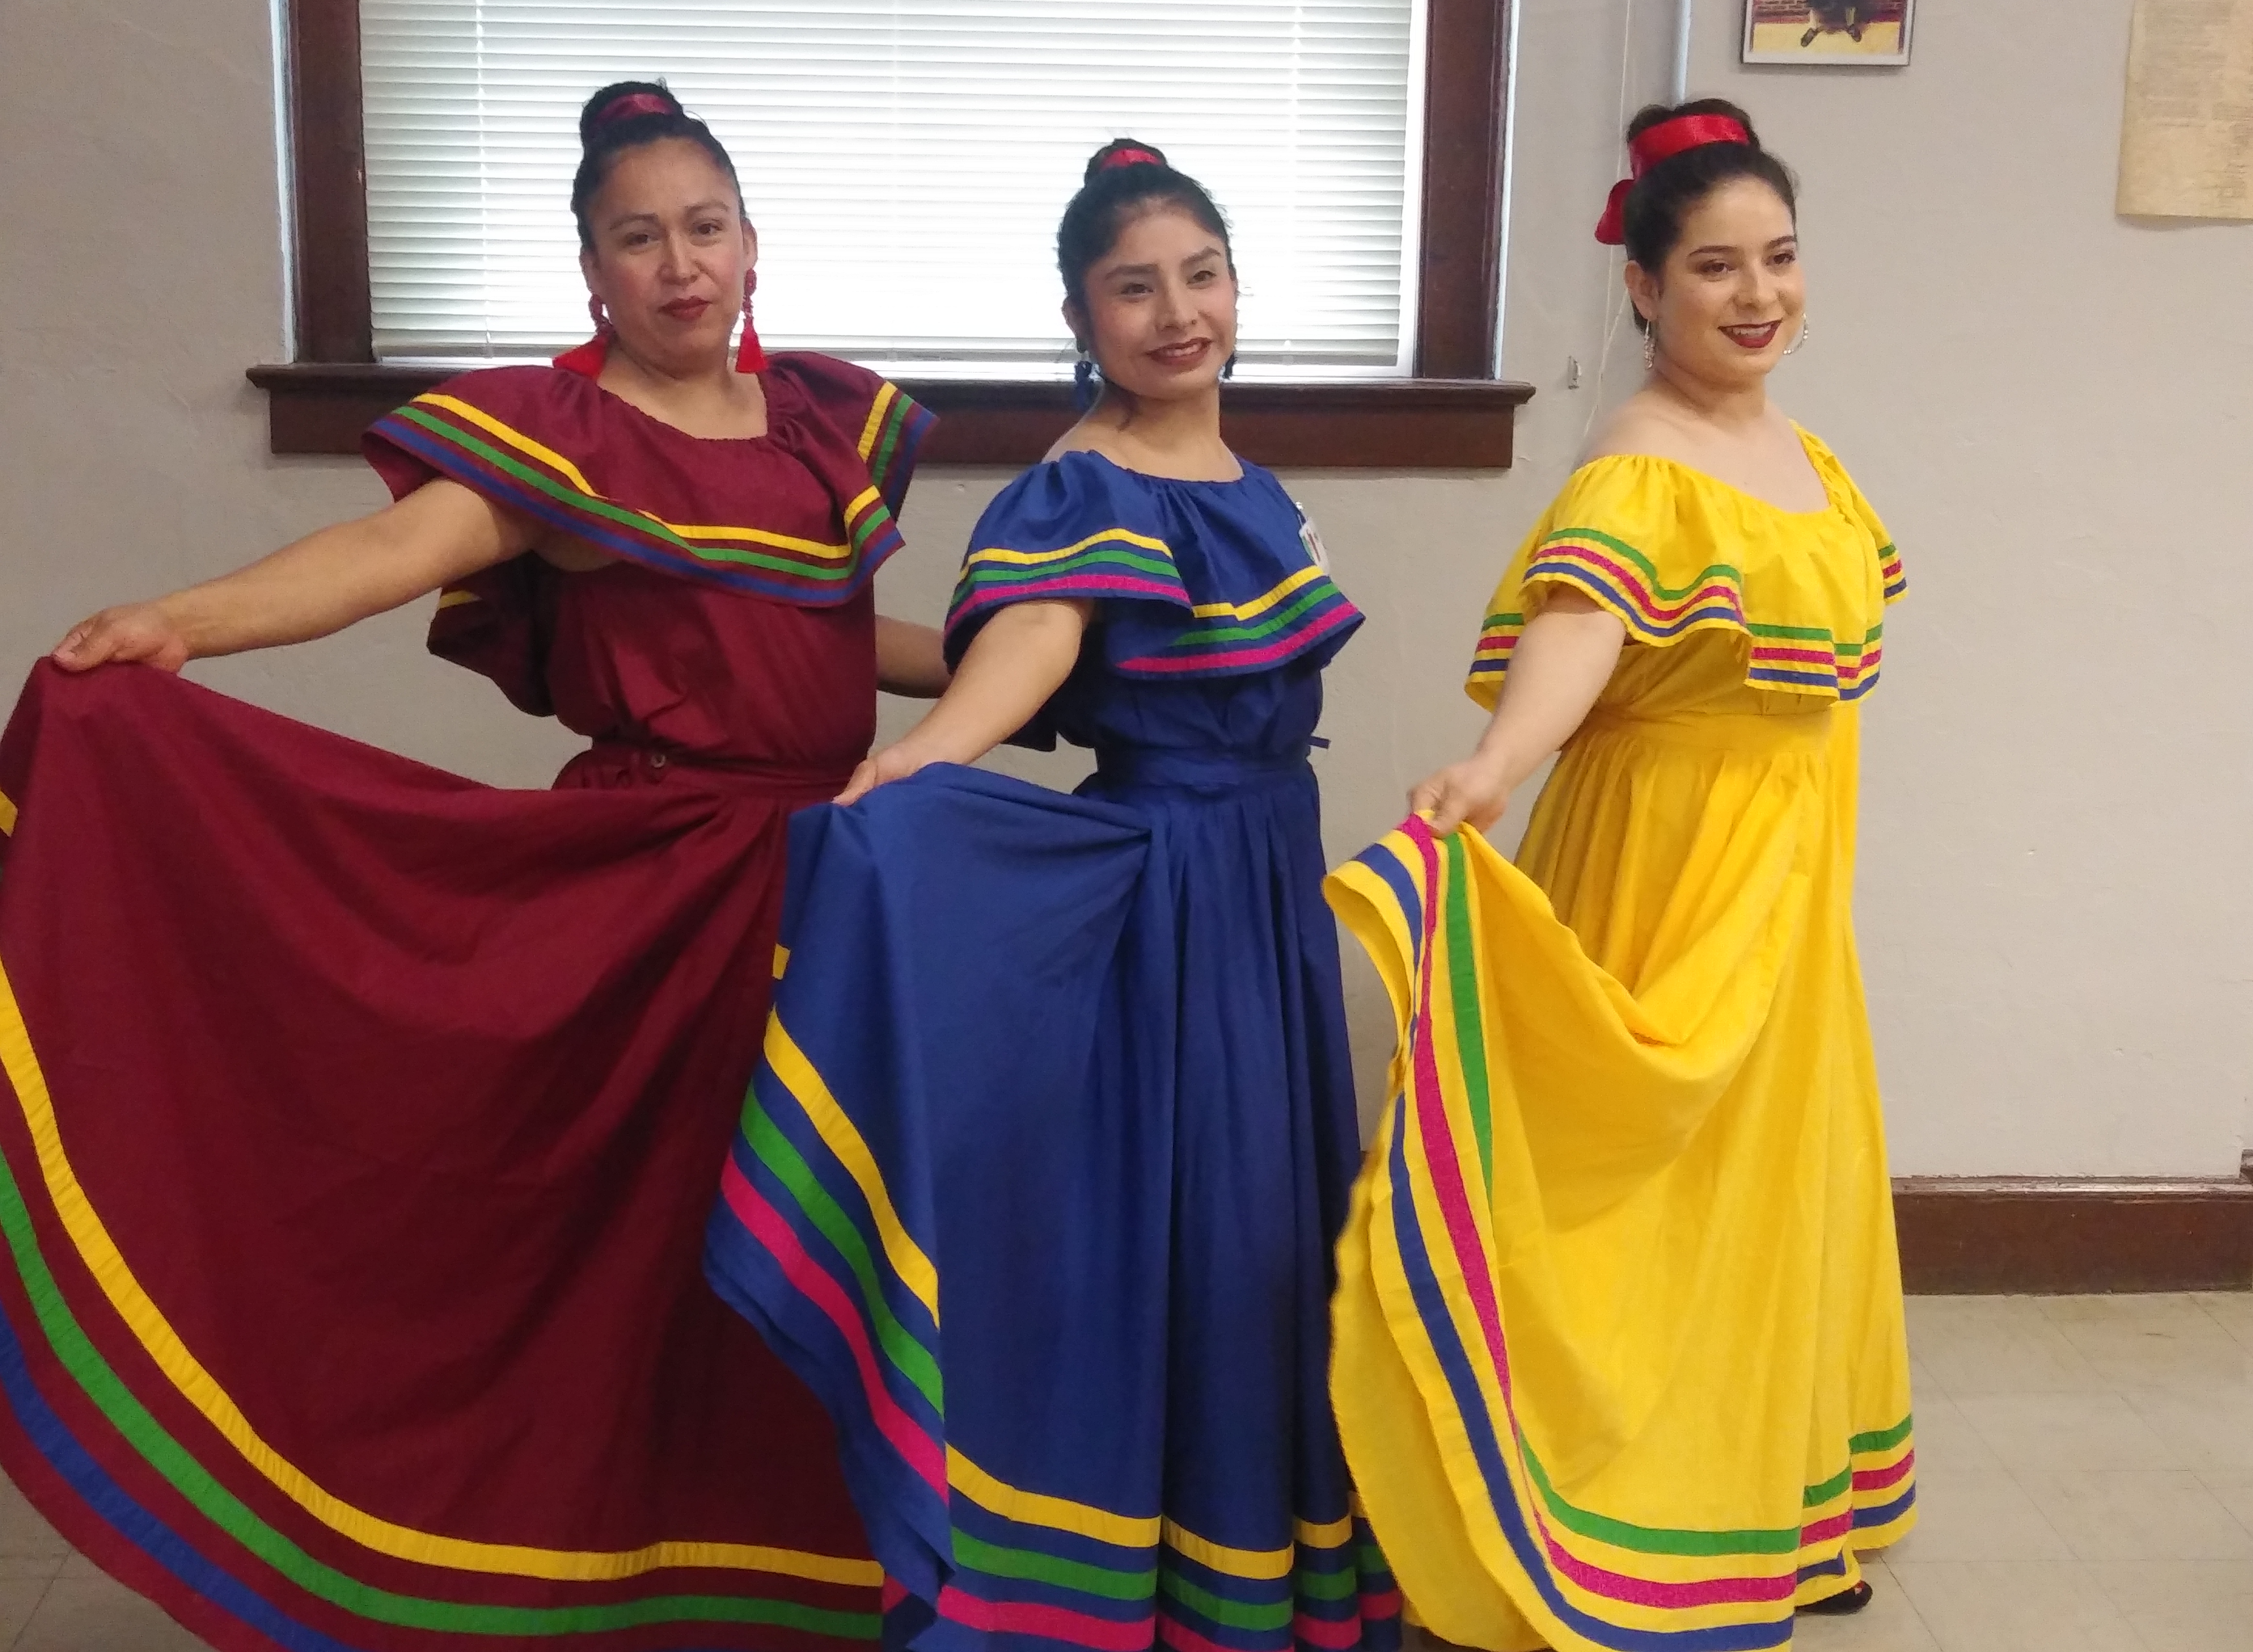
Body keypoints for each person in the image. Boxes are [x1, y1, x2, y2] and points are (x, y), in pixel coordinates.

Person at [0, 80, 943, 1651]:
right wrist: (185, 622)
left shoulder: (814, 436)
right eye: (638, 239)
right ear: (594, 273)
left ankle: (794, 1575)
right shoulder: (566, 446)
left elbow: (836, 639)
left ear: (752, 243)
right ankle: (570, 1566)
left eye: (703, 227)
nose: (679, 263)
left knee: (806, 1243)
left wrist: (1030, 672)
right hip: (661, 901)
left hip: (836, 886)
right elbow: (378, 558)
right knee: (629, 1251)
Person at [702, 141, 1401, 1652]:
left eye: (1199, 276)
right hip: (1170, 899)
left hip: (1267, 884)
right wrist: (927, 757)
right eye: (1132, 287)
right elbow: (1028, 644)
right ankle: (1124, 1575)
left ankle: (1247, 1567)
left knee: (1266, 1237)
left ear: (1236, 287)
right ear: (1080, 314)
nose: (1175, 312)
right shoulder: (1075, 486)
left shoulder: (1250, 482)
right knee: (1191, 1234)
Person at [1324, 100, 1914, 1652]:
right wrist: (1496, 765)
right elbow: (1581, 628)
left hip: (1787, 864)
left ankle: (1773, 1504)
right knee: (1654, 1180)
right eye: (1713, 267)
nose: (1756, 295)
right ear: (1643, 288)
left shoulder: (1799, 450)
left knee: (1773, 1177)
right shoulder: (1641, 459)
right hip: (1670, 859)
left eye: (1778, 259)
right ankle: (1592, 1499)